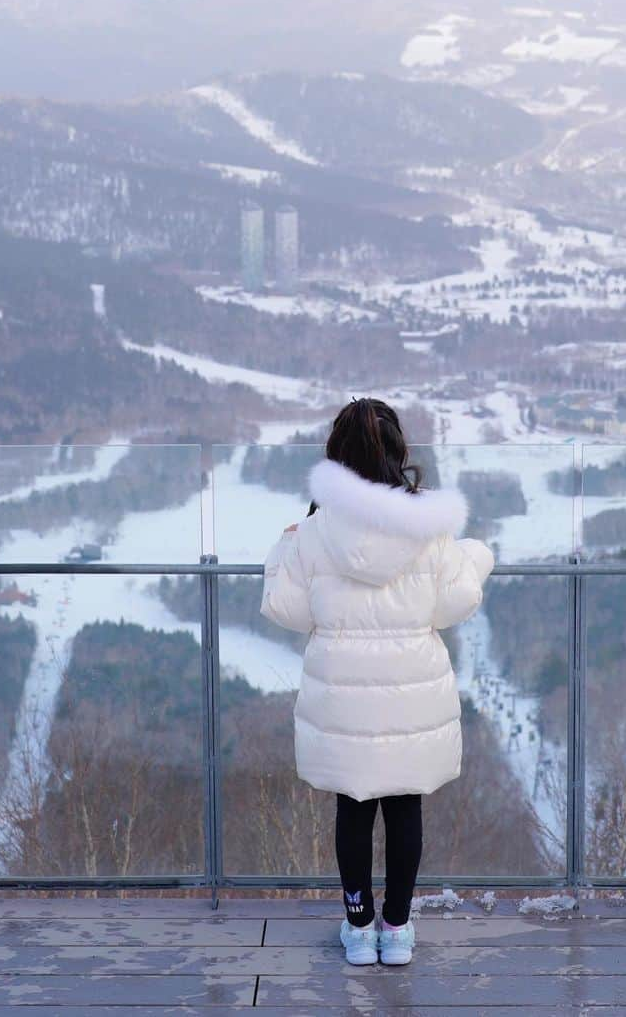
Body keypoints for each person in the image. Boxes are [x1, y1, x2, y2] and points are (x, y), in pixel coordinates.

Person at [260, 398, 494, 966]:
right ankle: (398, 928)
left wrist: (283, 546)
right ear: (398, 452)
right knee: (405, 807)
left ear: (337, 456)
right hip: (412, 687)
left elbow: (285, 607)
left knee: (354, 808)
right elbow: (453, 603)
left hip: (343, 690)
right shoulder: (429, 528)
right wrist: (476, 555)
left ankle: (359, 927)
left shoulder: (314, 533)